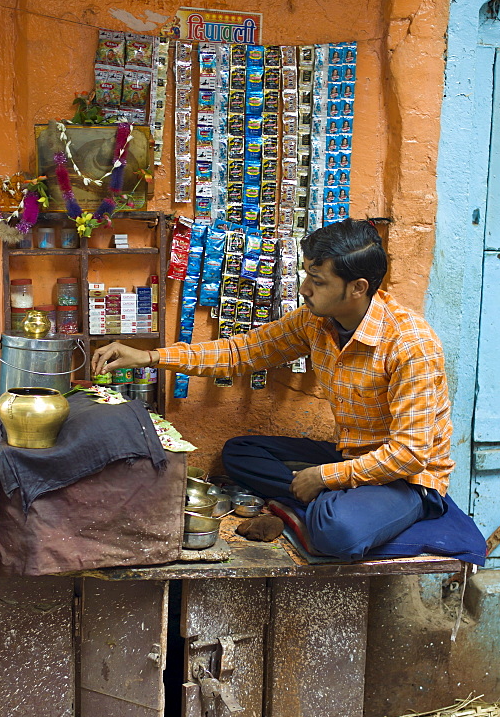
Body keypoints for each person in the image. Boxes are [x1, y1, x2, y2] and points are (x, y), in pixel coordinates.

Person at [92, 220, 459, 561]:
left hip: (403, 479)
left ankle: (317, 509)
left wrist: (324, 477)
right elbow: (242, 352)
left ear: (358, 287)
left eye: (318, 280)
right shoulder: (317, 323)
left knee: (338, 533)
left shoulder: (411, 345)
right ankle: (320, 504)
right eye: (306, 275)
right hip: (349, 456)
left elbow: (409, 454)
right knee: (239, 453)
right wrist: (149, 356)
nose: (304, 289)